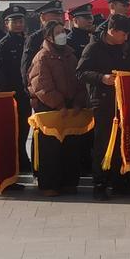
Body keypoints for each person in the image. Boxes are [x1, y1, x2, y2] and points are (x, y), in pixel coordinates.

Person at [77, 13, 130, 200]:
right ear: (112, 31)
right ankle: (100, 184)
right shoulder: (94, 47)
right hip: (103, 102)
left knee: (123, 142)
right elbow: (80, 73)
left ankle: (120, 182)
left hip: (124, 100)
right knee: (104, 144)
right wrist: (101, 78)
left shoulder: (126, 47)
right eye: (123, 34)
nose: (126, 38)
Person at [27, 21, 89, 195]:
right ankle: (49, 185)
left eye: (63, 31)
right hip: (50, 109)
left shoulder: (71, 55)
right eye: (58, 32)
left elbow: (79, 80)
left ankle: (69, 182)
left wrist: (78, 102)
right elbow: (41, 85)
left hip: (71, 108)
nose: (63, 35)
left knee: (71, 148)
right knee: (50, 149)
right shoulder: (42, 56)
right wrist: (59, 104)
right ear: (49, 37)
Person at [0, 6, 32, 174]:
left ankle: (22, 157)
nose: (18, 24)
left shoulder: (28, 41)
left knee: (24, 128)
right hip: (11, 94)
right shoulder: (3, 45)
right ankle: (15, 160)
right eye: (14, 21)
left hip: (26, 93)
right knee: (12, 129)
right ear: (6, 24)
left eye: (21, 21)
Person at [21, 0, 66, 87]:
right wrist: (30, 89)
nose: (58, 18)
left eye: (60, 15)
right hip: (43, 88)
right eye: (54, 15)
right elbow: (27, 67)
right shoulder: (34, 39)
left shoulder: (66, 34)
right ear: (43, 18)